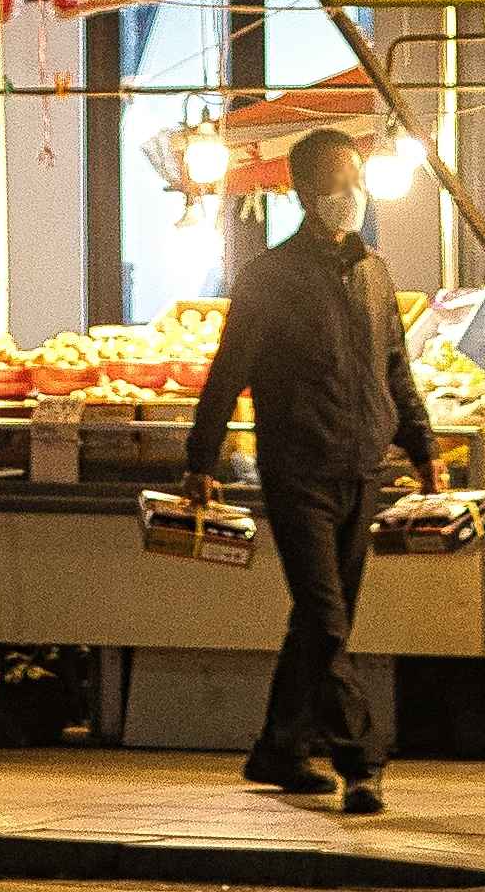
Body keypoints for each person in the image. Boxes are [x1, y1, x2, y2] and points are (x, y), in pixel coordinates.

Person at [180, 128, 432, 819]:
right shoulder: (269, 278)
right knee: (326, 620)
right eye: (337, 181)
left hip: (363, 467)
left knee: (325, 618)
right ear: (304, 192)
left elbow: (395, 368)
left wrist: (421, 445)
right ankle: (360, 763)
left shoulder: (374, 271)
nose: (351, 193)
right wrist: (201, 458)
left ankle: (279, 749)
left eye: (356, 179)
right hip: (298, 471)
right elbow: (227, 371)